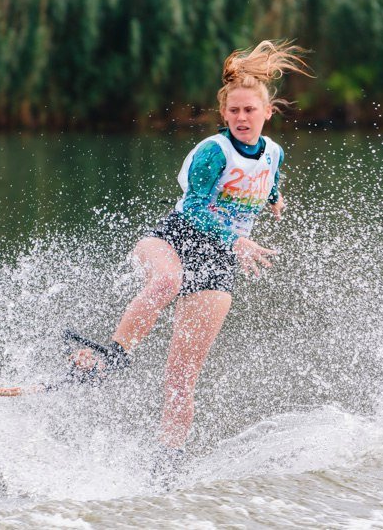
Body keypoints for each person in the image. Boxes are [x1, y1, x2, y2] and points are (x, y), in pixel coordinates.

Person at [69, 39, 311, 478]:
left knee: (182, 378)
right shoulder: (212, 152)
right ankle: (111, 357)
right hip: (175, 239)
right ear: (224, 115)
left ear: (267, 113)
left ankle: (167, 462)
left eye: (249, 111)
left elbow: (267, 179)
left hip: (219, 266)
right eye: (234, 111)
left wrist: (274, 200)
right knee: (166, 282)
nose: (241, 118)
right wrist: (235, 239)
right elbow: (197, 206)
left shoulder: (274, 151)